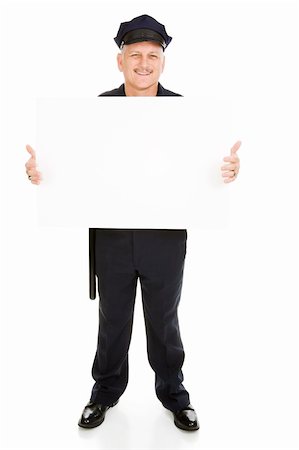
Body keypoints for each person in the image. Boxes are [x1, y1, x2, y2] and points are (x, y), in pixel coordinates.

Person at [25, 14, 241, 432]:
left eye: (153, 56)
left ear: (163, 62)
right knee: (113, 318)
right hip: (111, 237)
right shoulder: (95, 111)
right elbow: (71, 167)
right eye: (135, 55)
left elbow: (206, 168)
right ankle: (103, 393)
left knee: (164, 319)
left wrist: (229, 169)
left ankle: (174, 394)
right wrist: (40, 172)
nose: (144, 63)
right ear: (119, 60)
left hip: (165, 237)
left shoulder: (187, 112)